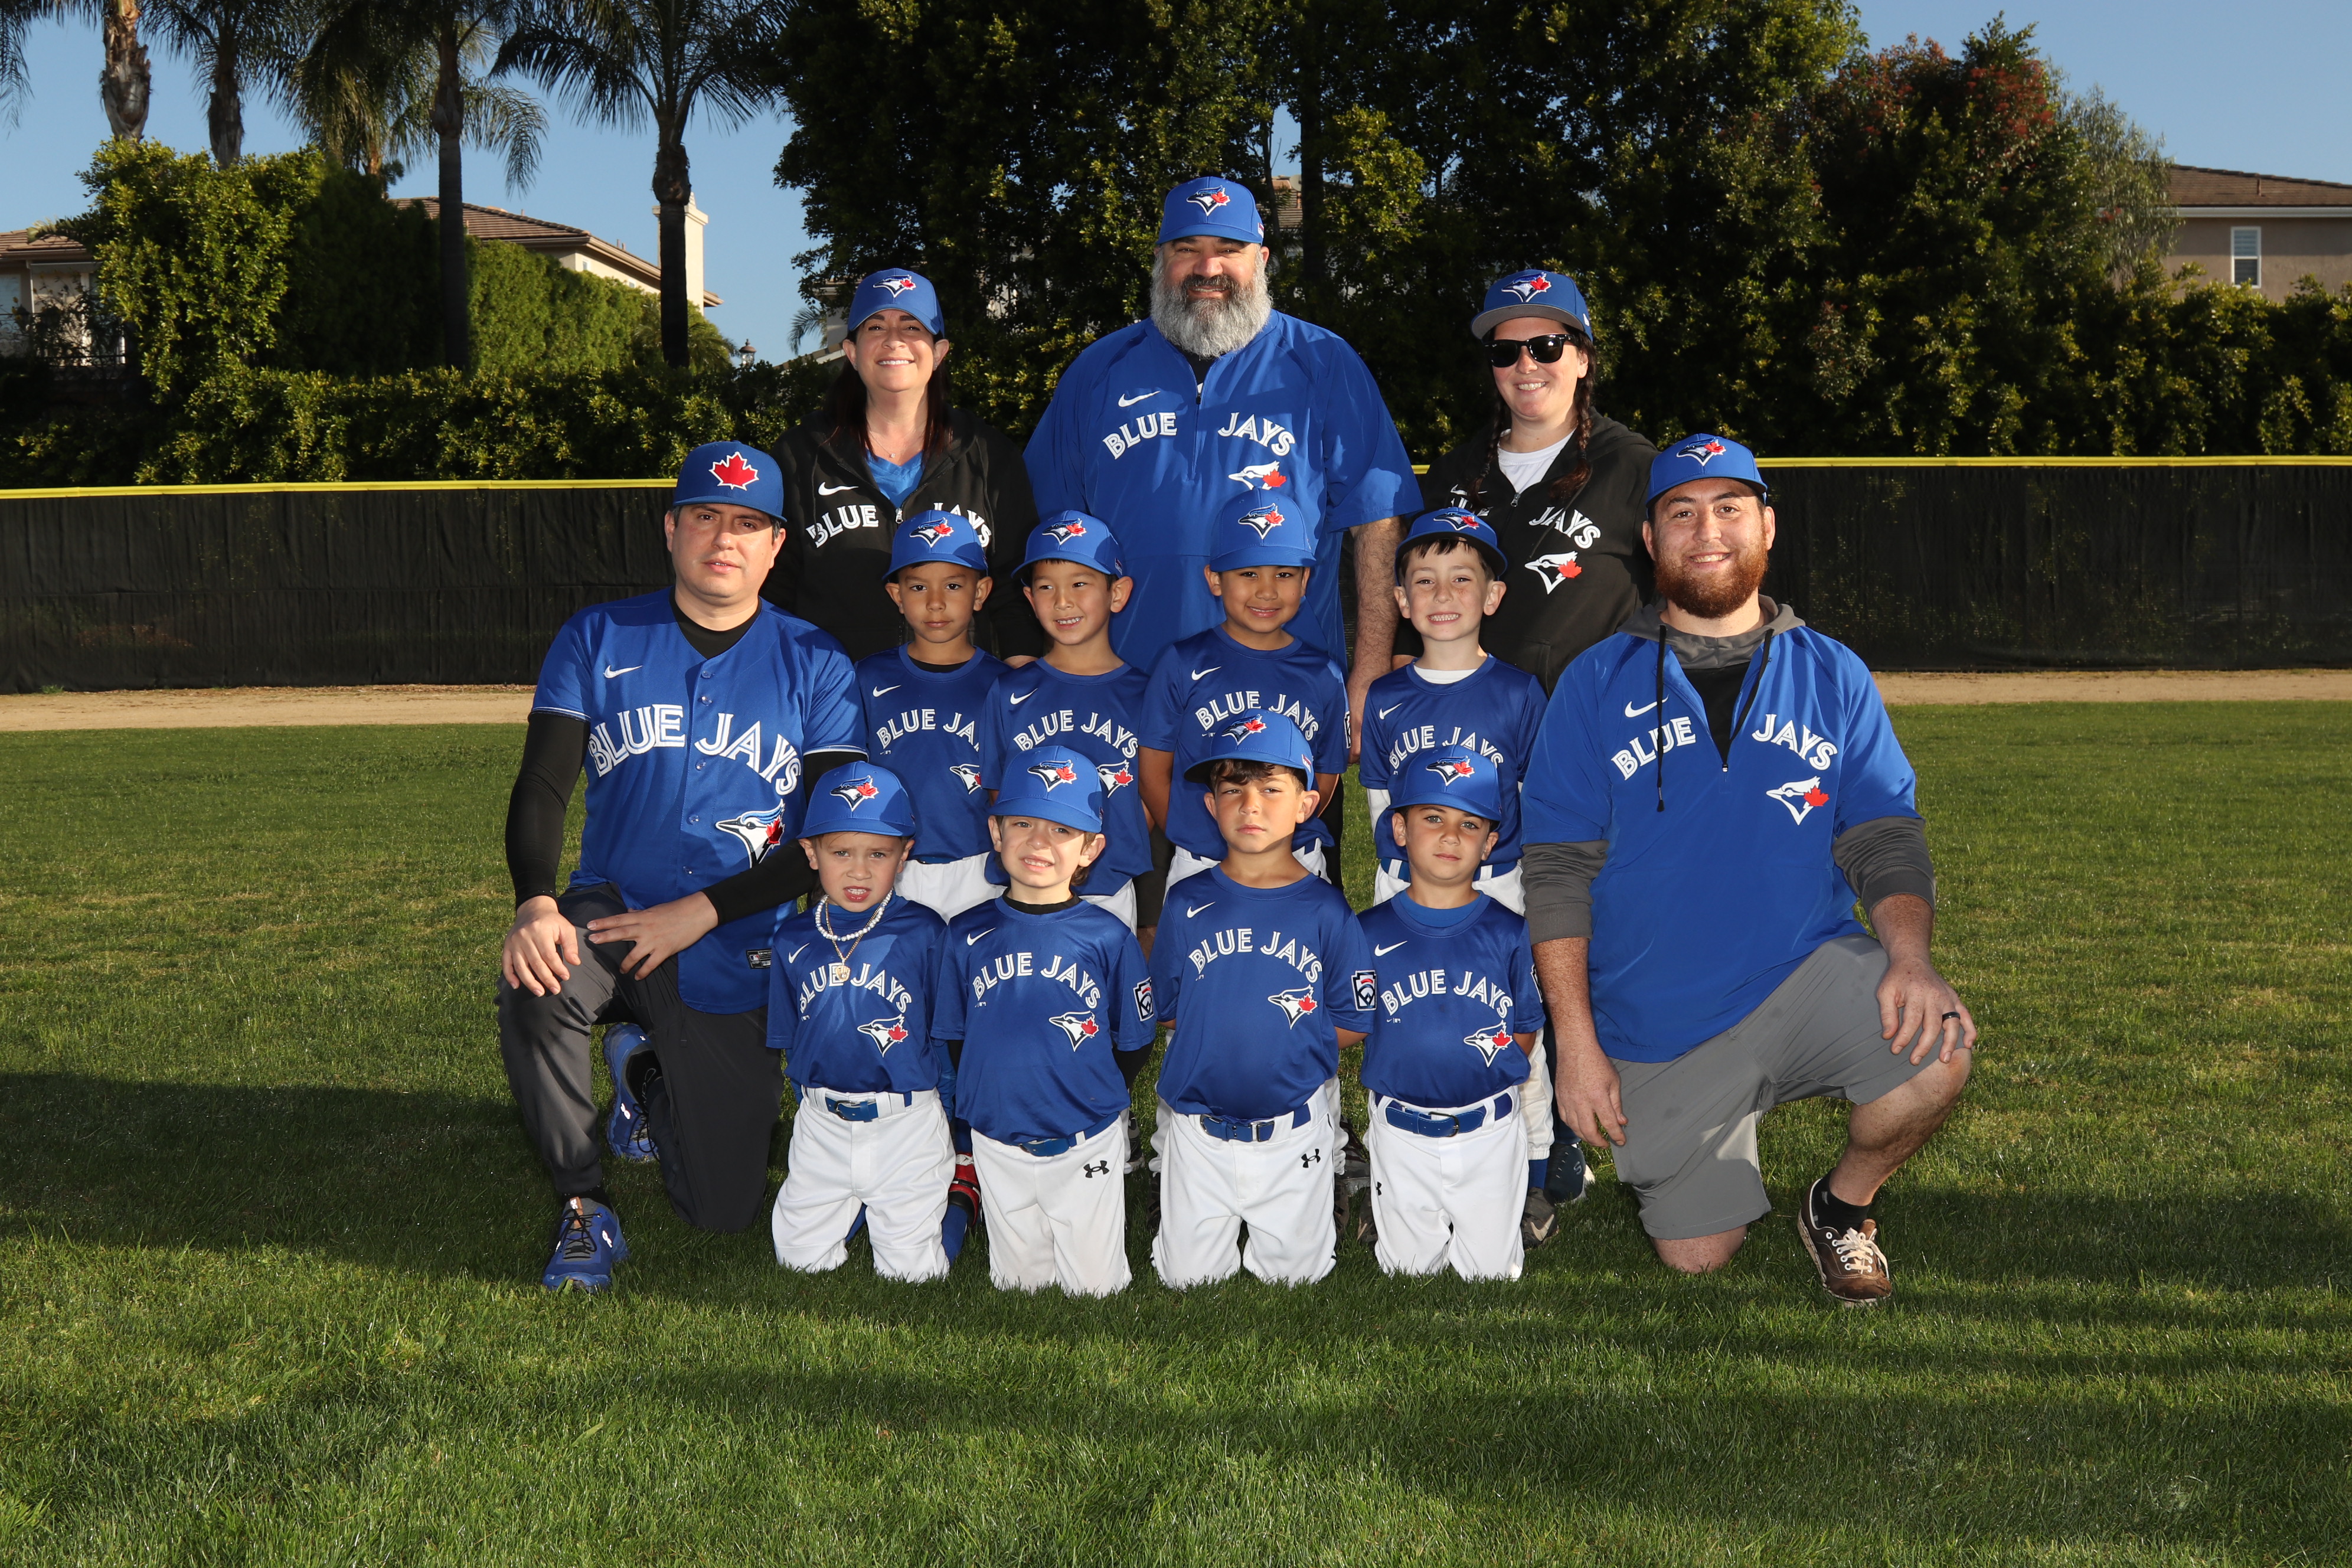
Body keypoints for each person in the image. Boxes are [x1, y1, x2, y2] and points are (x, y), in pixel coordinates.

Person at [1521, 433, 1975, 1305]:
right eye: (1681, 513)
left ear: (1767, 526)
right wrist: (1576, 1044)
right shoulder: (1594, 682)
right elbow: (1556, 872)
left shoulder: (1832, 672)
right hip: (1659, 1022)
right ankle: (1720, 1128)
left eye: (1730, 508)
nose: (1707, 531)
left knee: (1938, 1044)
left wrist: (1912, 960)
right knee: (1697, 1256)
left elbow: (1883, 833)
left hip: (1800, 975)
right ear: (1649, 539)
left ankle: (1841, 1206)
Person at [499, 442, 867, 1292]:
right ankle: (584, 1202)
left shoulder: (817, 661)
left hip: (737, 937)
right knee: (538, 977)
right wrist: (534, 901)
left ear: (776, 546)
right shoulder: (599, 636)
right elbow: (544, 783)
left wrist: (703, 910)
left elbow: (831, 836)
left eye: (747, 523)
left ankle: (646, 1073)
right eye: (705, 516)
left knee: (723, 1207)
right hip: (613, 910)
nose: (723, 538)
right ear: (671, 530)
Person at [1023, 177, 1420, 749]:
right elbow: (1052, 539)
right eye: (1187, 249)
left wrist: (1370, 672)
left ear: (1262, 260)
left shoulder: (1323, 361)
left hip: (1288, 693)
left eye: (1229, 250)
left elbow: (1377, 523)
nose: (1208, 268)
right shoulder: (1099, 370)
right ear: (1161, 261)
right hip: (1125, 692)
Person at [1355, 507, 1566, 1244]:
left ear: (1494, 595)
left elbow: (1535, 800)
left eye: (1462, 578)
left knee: (1513, 1030)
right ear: (1401, 600)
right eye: (1424, 580)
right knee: (1399, 1023)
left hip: (1498, 887)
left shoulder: (1518, 691)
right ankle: (1392, 1167)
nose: (1443, 594)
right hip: (1405, 891)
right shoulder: (1387, 696)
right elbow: (1381, 808)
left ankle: (1531, 1175)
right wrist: (1401, 889)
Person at [1147, 711, 1373, 1289]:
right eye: (1232, 790)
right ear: (1211, 805)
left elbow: (1355, 1017)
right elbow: (1166, 1008)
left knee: (1297, 1278)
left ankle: (1318, 1197)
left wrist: (1286, 1043)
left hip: (1292, 1126)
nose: (1251, 805)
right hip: (1198, 1127)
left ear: (1306, 804)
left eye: (1271, 789)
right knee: (1186, 1279)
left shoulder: (1326, 909)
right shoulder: (1187, 902)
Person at [930, 750, 1157, 1296]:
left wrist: (1091, 1098)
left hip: (1084, 1140)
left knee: (1096, 1288)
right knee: (1019, 1285)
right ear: (996, 832)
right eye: (1023, 824)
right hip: (997, 1138)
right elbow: (957, 1038)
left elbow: (1133, 1042)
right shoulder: (965, 933)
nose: (1038, 842)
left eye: (1061, 830)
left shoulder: (1108, 937)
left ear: (1091, 849)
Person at [769, 268, 1041, 663]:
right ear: (852, 352)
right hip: (833, 693)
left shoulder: (990, 454)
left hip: (961, 695)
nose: (894, 340)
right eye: (876, 327)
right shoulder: (801, 454)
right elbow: (774, 589)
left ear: (939, 352)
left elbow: (1015, 586)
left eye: (912, 327)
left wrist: (1021, 680)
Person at [1412, 270, 1658, 694]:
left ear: (1583, 360)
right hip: (1461, 717)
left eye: (1547, 347)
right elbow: (1410, 598)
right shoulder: (1450, 474)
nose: (1526, 365)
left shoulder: (1635, 467)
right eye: (1505, 352)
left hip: (1583, 721)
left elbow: (1678, 606)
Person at [1357, 746, 1545, 1281]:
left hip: (1489, 1129)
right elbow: (1351, 1020)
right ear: (1400, 829)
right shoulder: (1367, 933)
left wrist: (1489, 1074)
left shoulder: (1510, 931)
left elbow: (1526, 1027)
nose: (1450, 837)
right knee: (1407, 1273)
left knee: (1491, 1274)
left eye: (1470, 825)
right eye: (1433, 818)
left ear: (1489, 844)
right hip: (1400, 1129)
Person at [766, 765, 956, 1282]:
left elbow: (943, 1034)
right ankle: (859, 1204)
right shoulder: (793, 940)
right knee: (799, 1261)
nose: (859, 872)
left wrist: (949, 1117)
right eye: (841, 853)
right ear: (811, 853)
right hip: (823, 1124)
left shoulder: (924, 932)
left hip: (906, 1124)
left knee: (913, 1274)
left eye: (878, 854)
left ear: (904, 854)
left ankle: (960, 1199)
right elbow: (792, 1043)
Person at [1138, 492, 1349, 890]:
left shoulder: (1323, 674)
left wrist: (1285, 833)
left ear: (1305, 581)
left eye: (1284, 574)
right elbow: (1152, 773)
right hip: (1203, 860)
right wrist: (1197, 836)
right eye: (1249, 574)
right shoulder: (1182, 663)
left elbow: (1326, 772)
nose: (1267, 591)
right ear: (1215, 580)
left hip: (1294, 859)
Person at [978, 514, 1155, 937]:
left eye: (1079, 584)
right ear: (1029, 597)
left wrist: (1095, 850)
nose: (1062, 602)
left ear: (1117, 593)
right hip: (1025, 886)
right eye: (1046, 587)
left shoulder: (1146, 694)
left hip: (1108, 886)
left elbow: (1151, 795)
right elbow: (1000, 791)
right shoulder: (1010, 691)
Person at [856, 511, 1006, 921]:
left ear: (980, 592)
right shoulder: (869, 677)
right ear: (897, 595)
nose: (935, 602)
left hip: (980, 865)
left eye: (954, 585)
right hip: (890, 865)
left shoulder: (1004, 684)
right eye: (918, 586)